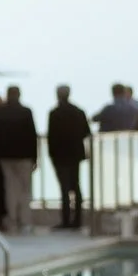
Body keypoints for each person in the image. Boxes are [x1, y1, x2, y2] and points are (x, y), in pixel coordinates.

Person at [0, 84, 38, 235]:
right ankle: (25, 221)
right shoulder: (26, 112)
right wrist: (35, 157)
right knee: (25, 189)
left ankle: (12, 219)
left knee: (10, 189)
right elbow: (32, 136)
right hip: (24, 156)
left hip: (5, 157)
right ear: (19, 95)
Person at [46, 85, 91, 229]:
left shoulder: (54, 113)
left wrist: (51, 153)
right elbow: (86, 131)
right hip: (75, 154)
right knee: (75, 185)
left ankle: (66, 220)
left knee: (64, 188)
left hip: (60, 155)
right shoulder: (78, 111)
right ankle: (77, 219)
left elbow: (51, 136)